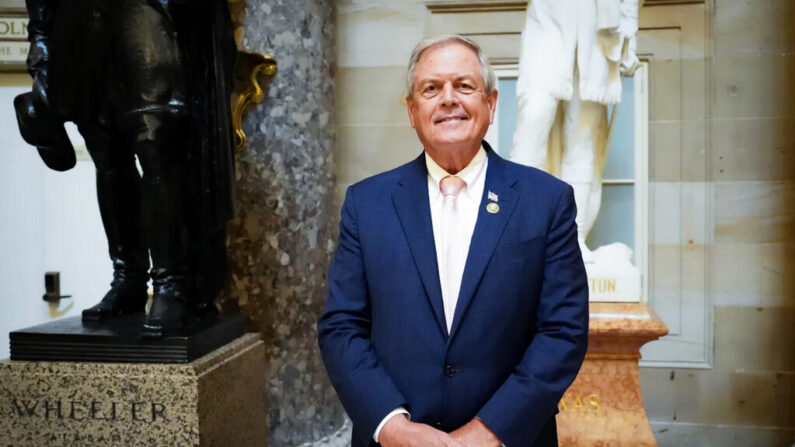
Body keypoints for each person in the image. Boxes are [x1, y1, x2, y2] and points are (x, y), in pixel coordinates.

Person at [318, 35, 589, 447]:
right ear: (412, 110)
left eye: (464, 86)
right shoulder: (366, 203)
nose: (448, 99)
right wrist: (392, 427)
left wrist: (489, 432)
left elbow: (563, 331)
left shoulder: (546, 201)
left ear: (492, 104)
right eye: (431, 89)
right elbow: (342, 326)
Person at [18, 0, 237, 335]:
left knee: (157, 140)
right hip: (83, 19)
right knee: (105, 150)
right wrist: (41, 37)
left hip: (149, 8)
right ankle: (128, 278)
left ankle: (172, 283)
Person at [510, 0, 640, 262]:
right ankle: (518, 233)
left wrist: (628, 25)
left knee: (582, 138)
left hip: (598, 29)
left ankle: (573, 238)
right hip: (550, 17)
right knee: (533, 122)